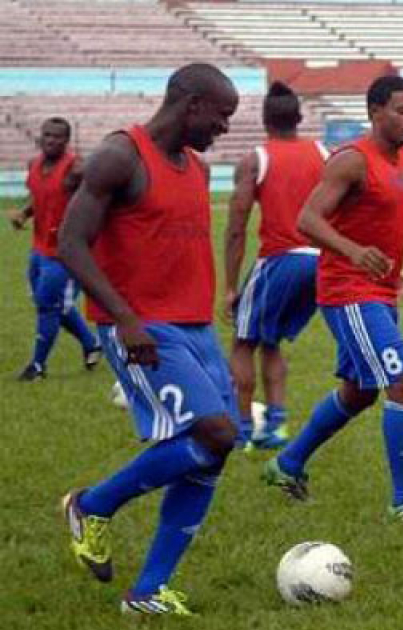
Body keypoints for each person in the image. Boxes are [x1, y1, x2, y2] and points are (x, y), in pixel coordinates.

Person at [55, 63, 240, 615]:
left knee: (215, 450)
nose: (224, 129)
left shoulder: (197, 170)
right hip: (140, 326)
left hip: (195, 327)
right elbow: (70, 241)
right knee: (215, 432)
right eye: (221, 116)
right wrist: (124, 318)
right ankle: (92, 505)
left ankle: (149, 590)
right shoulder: (122, 156)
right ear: (191, 105)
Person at [263, 75, 403, 520]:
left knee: (359, 393)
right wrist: (355, 253)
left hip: (380, 289)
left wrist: (393, 267)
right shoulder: (352, 160)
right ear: (375, 112)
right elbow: (307, 220)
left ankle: (287, 463)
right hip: (348, 292)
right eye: (402, 111)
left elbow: (381, 220)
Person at [224, 81, 327, 449]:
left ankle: (241, 430)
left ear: (265, 120)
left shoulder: (257, 158)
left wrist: (231, 287)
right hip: (320, 263)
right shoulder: (323, 153)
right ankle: (277, 426)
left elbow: (237, 227)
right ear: (299, 117)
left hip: (280, 260)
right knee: (271, 342)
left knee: (242, 342)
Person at [8, 117, 102, 380]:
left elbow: (99, 200)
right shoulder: (34, 164)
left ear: (66, 140)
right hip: (38, 248)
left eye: (57, 137)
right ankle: (91, 344)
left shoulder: (76, 169)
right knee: (48, 303)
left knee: (48, 306)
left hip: (65, 253)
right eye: (47, 135)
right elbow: (39, 197)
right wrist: (24, 214)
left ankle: (37, 366)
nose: (50, 140)